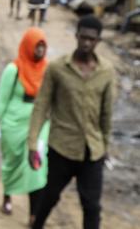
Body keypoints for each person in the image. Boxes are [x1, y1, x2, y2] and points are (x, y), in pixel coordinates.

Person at [28, 16, 116, 229]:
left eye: (91, 39)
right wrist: (32, 144)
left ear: (98, 42)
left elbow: (106, 113)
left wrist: (105, 146)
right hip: (62, 148)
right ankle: (36, 224)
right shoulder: (58, 68)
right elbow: (41, 106)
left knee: (92, 206)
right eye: (83, 37)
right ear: (76, 36)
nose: (86, 43)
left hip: (92, 150)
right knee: (50, 196)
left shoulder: (106, 72)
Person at [0, 28, 50, 225]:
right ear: (28, 46)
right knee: (11, 162)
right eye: (36, 46)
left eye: (43, 47)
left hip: (38, 125)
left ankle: (34, 214)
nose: (40, 51)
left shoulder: (48, 70)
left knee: (36, 167)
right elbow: (1, 100)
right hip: (13, 124)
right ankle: (7, 195)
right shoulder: (13, 70)